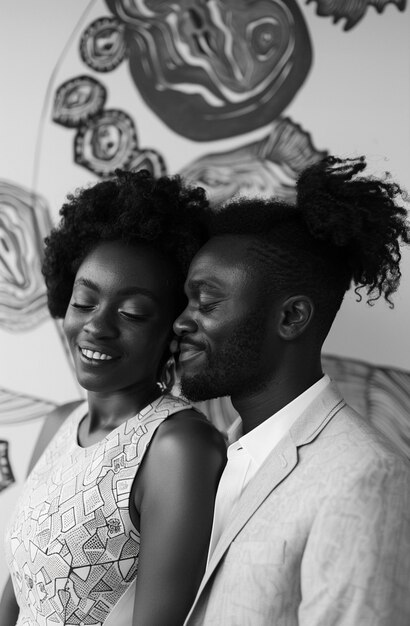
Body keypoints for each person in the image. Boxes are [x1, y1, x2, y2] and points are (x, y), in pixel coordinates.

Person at [174, 156, 410, 626]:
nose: (181, 321)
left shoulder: (366, 477)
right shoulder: (212, 458)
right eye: (185, 301)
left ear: (291, 317)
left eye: (207, 303)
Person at [1, 169, 226, 626]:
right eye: (84, 302)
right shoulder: (58, 424)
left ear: (173, 330)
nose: (97, 326)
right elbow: (19, 589)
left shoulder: (178, 447)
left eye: (132, 313)